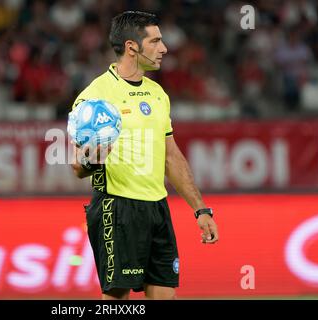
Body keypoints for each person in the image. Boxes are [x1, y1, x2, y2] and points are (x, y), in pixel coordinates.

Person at [70, 11, 219, 300]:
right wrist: (94, 157)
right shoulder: (95, 97)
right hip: (118, 208)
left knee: (165, 295)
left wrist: (200, 209)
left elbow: (171, 156)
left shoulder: (157, 93)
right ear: (131, 47)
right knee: (117, 300)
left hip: (157, 209)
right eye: (156, 41)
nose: (164, 48)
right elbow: (78, 165)